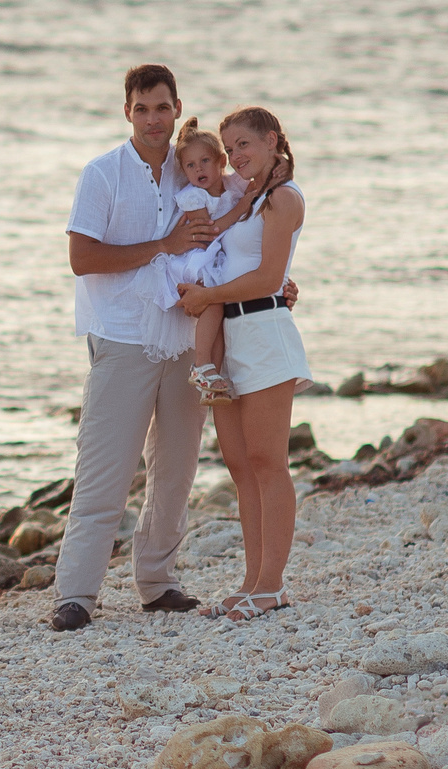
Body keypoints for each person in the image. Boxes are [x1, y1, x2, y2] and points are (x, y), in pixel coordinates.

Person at [52, 65, 219, 633]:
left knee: (175, 469)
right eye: (142, 108)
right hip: (121, 337)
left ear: (177, 110)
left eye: (163, 108)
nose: (153, 119)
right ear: (128, 111)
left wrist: (277, 280)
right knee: (105, 470)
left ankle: (157, 582)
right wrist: (162, 246)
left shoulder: (192, 170)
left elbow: (240, 222)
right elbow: (82, 258)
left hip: (182, 337)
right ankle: (75, 595)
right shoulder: (103, 174)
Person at [175, 106, 309, 620]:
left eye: (245, 145)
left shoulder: (284, 198)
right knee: (239, 465)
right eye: (230, 149)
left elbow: (269, 277)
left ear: (273, 140)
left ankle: (272, 584)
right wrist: (212, 301)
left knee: (268, 463)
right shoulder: (247, 199)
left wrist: (205, 297)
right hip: (231, 334)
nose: (236, 156)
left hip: (265, 334)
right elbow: (239, 261)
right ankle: (251, 580)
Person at [141, 119, 254, 403]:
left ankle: (211, 375)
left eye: (205, 161)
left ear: (221, 161)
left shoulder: (231, 185)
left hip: (218, 260)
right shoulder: (192, 197)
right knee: (214, 302)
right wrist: (241, 208)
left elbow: (259, 178)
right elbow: (209, 231)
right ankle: (201, 365)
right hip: (195, 260)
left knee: (218, 314)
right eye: (190, 165)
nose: (198, 169)